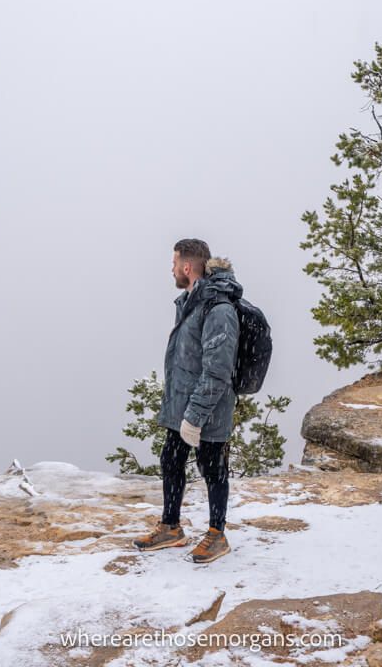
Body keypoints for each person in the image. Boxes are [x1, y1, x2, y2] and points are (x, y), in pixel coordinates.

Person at [131, 238, 241, 564]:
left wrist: (195, 415)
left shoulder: (218, 307)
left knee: (213, 468)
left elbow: (218, 370)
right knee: (171, 460)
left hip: (209, 406)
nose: (172, 269)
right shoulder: (190, 301)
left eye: (174, 262)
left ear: (187, 267)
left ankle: (217, 535)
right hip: (184, 404)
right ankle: (171, 527)